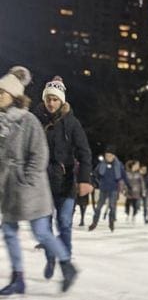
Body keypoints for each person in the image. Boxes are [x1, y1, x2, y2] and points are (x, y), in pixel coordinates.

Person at [0, 66, 78, 294]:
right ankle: (18, 278)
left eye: (2, 93)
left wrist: (27, 178)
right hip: (8, 188)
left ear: (14, 96)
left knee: (41, 232)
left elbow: (40, 154)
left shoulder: (28, 120)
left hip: (31, 189)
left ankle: (66, 264)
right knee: (9, 230)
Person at [33, 76, 93, 279]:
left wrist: (85, 179)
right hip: (42, 183)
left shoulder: (72, 123)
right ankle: (51, 258)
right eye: (48, 98)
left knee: (65, 223)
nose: (51, 103)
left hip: (66, 182)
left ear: (62, 101)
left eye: (55, 99)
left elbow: (85, 152)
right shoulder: (36, 120)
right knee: (46, 226)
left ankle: (65, 262)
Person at [88, 147, 128, 232]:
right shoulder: (101, 164)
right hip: (103, 189)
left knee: (112, 207)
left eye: (110, 155)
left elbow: (124, 176)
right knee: (98, 207)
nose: (108, 157)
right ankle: (94, 223)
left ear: (113, 156)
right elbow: (95, 174)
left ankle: (111, 222)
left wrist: (128, 186)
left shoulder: (118, 165)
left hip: (113, 189)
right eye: (106, 155)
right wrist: (93, 182)